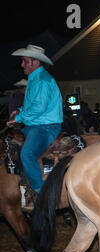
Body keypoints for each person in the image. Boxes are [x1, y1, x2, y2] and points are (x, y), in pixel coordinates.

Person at [6, 44, 63, 195]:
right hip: (36, 125)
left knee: (27, 154)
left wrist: (18, 117)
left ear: (35, 62)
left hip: (45, 127)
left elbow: (39, 108)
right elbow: (31, 106)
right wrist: (20, 110)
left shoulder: (42, 81)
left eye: (25, 61)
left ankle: (41, 191)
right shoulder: (35, 78)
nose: (22, 64)